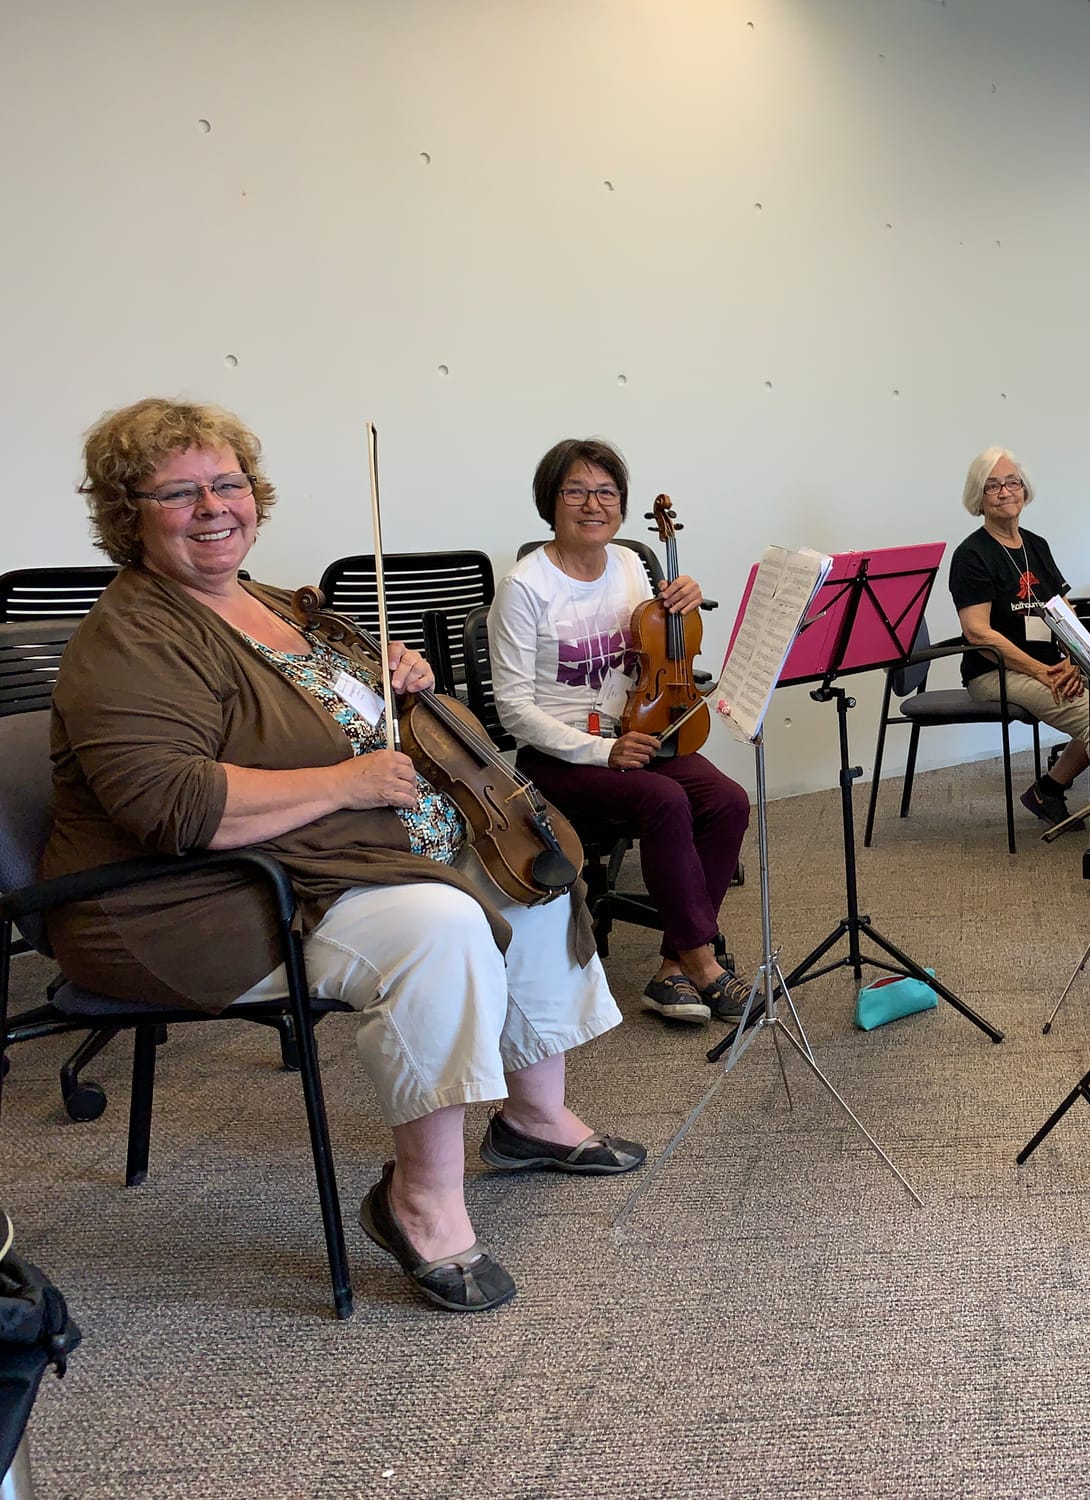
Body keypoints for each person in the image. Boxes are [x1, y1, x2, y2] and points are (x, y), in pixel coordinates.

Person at [45, 398, 642, 1316]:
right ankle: (421, 1202)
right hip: (200, 896)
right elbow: (174, 807)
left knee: (534, 855)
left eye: (227, 483)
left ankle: (533, 1119)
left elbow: (323, 702)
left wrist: (390, 674)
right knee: (439, 924)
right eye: (179, 493)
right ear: (130, 513)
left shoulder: (268, 599)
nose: (214, 507)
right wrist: (346, 783)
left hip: (330, 853)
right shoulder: (130, 639)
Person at [489, 438, 752, 1025]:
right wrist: (603, 751)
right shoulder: (524, 590)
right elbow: (512, 712)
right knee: (664, 801)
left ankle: (671, 967)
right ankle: (704, 963)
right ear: (550, 503)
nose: (593, 504)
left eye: (606, 492)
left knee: (728, 800)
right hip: (560, 757)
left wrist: (679, 607)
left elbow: (656, 645)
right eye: (576, 491)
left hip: (639, 735)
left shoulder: (632, 565)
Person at [948, 446, 1090, 840]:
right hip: (994, 671)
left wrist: (1074, 663)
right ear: (977, 499)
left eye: (1012, 482)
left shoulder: (1036, 545)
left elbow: (1064, 615)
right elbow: (978, 634)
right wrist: (1042, 671)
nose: (1005, 492)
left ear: (1025, 490)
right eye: (992, 486)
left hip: (1050, 667)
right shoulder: (972, 555)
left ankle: (1047, 791)